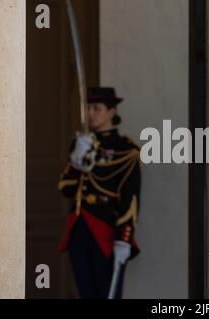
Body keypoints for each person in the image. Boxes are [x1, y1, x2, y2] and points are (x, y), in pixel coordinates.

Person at [57, 87, 141, 299]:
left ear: (112, 111)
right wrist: (76, 161)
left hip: (106, 229)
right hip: (80, 225)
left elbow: (131, 197)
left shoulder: (125, 149)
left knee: (108, 293)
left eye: (97, 108)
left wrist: (124, 238)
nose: (91, 113)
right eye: (88, 107)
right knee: (86, 292)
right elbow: (65, 188)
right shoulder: (81, 144)